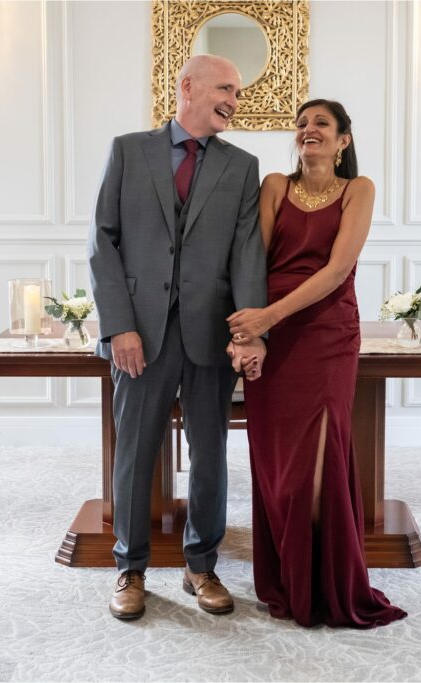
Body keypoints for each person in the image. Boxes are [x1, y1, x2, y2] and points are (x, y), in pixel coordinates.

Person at [89, 54, 268, 620]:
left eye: (237, 94)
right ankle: (130, 568)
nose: (234, 102)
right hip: (138, 332)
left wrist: (247, 331)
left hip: (209, 334)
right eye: (226, 90)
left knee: (210, 452)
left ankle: (201, 565)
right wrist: (120, 325)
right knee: (136, 451)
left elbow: (247, 255)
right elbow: (103, 242)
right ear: (187, 86)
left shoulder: (243, 166)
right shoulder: (127, 149)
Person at [227, 99, 407, 628]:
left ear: (343, 140)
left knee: (320, 461)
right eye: (302, 124)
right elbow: (252, 260)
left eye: (321, 124)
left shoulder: (359, 189)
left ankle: (325, 582)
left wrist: (266, 318)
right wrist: (250, 334)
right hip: (271, 337)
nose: (309, 131)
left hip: (327, 335)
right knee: (277, 464)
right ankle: (286, 576)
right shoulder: (276, 186)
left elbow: (334, 273)